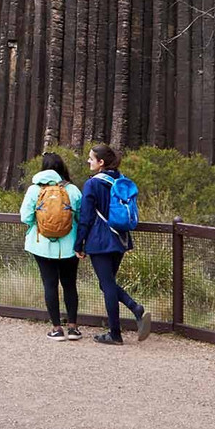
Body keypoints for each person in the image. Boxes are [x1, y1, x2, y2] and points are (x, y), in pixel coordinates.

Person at [75, 144, 151, 345]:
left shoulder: (92, 184)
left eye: (91, 158)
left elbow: (86, 217)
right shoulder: (120, 179)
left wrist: (79, 243)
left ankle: (115, 333)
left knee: (107, 285)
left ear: (101, 162)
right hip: (120, 238)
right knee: (106, 283)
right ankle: (135, 308)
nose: (88, 161)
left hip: (100, 240)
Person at [20, 152, 83, 341]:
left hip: (41, 245)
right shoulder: (72, 190)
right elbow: (81, 217)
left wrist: (39, 224)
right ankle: (73, 327)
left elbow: (25, 217)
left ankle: (57, 328)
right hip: (69, 246)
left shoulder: (34, 190)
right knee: (70, 284)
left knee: (50, 284)